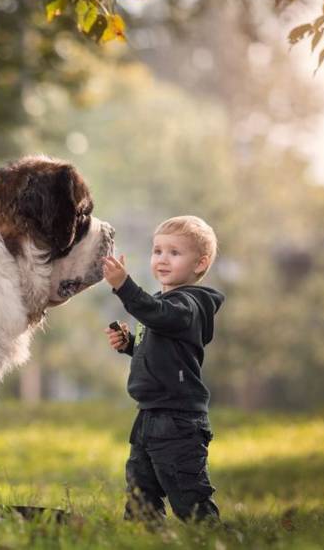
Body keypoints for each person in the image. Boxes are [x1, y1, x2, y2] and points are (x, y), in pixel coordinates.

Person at [103, 215, 225, 523]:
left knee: (189, 497)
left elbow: (160, 315)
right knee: (140, 493)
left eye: (174, 252)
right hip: (148, 416)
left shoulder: (191, 304)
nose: (162, 259)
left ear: (200, 263)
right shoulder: (164, 304)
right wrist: (129, 344)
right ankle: (145, 538)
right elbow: (161, 346)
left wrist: (124, 287)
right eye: (157, 251)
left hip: (178, 421)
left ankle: (210, 538)